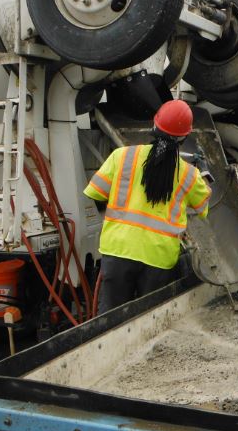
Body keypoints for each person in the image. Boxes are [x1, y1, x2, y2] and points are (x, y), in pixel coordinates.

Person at [83, 99, 211, 313]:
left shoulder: (121, 156)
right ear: (183, 137)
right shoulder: (190, 174)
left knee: (107, 323)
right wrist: (205, 172)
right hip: (158, 259)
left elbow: (95, 193)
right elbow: (202, 206)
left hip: (118, 250)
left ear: (154, 126)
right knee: (148, 321)